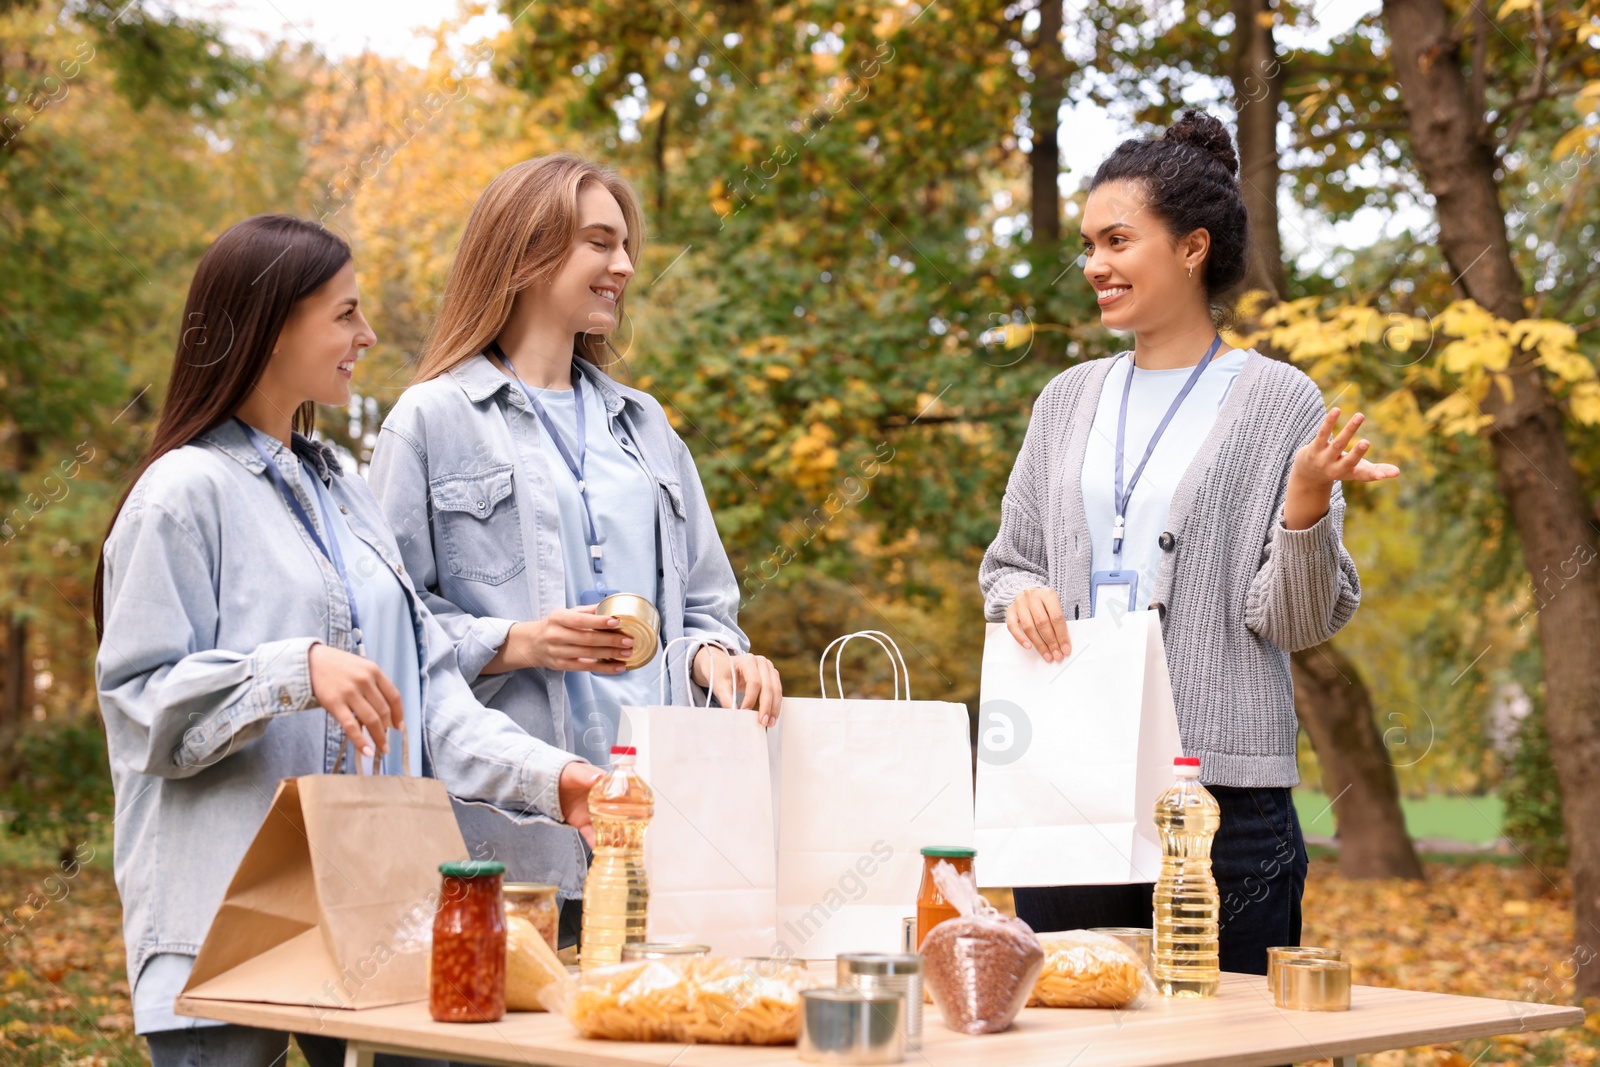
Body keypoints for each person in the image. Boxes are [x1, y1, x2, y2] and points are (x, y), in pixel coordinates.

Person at [95, 214, 605, 1067]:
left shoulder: (343, 493)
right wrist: (288, 671)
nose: (367, 336)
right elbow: (140, 706)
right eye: (345, 314)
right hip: (220, 921)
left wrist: (560, 780)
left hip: (377, 914)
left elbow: (430, 698)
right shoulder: (182, 493)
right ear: (271, 324)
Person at [978, 110, 1400, 974]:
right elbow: (1008, 561)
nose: (1093, 264)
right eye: (1090, 243)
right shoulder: (1065, 399)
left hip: (1224, 797)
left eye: (1118, 240)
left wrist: (1307, 504)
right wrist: (1020, 593)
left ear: (1192, 247)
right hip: (1070, 778)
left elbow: (1296, 619)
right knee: (1076, 1033)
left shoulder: (1278, 400)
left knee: (1227, 1037)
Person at [367, 154, 782, 912]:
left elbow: (706, 607)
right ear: (526, 253)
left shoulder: (648, 426)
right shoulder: (428, 420)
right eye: (600, 242)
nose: (623, 266)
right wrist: (518, 642)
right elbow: (388, 636)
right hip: (504, 845)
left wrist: (718, 658)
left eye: (625, 246)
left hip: (660, 833)